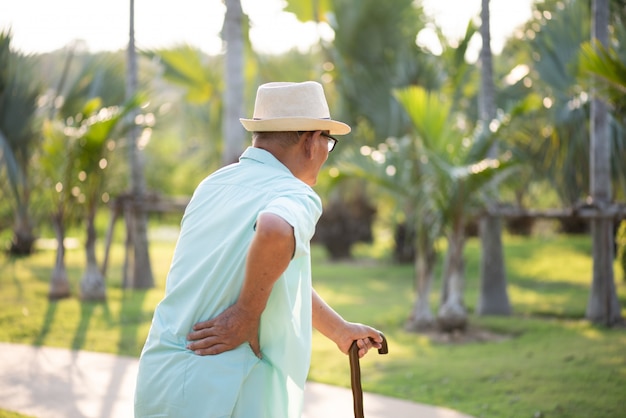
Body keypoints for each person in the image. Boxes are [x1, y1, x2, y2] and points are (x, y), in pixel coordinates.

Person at [134, 81, 383, 418]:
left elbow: (269, 269)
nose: (327, 151)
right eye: (328, 140)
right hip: (223, 392)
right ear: (311, 142)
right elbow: (274, 231)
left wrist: (338, 330)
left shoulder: (214, 184)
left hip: (162, 380)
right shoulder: (296, 193)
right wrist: (245, 315)